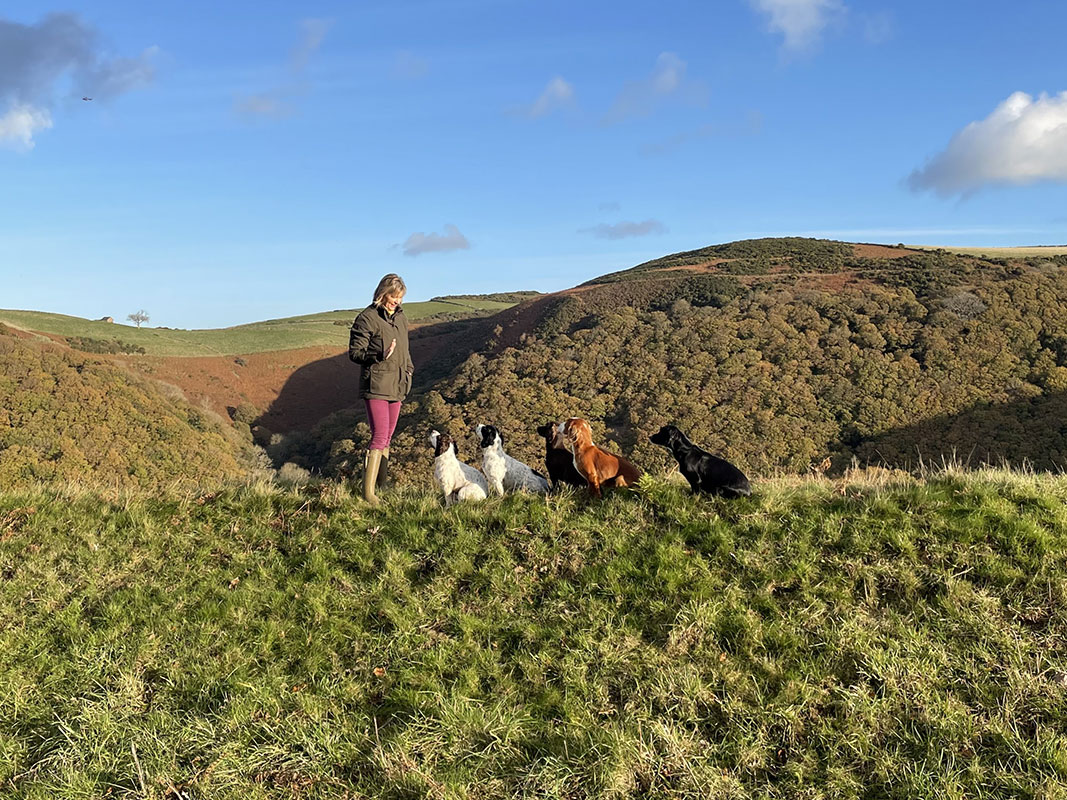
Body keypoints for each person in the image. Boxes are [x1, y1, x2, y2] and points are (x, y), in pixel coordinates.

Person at [348, 274, 414, 505]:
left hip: (398, 384)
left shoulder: (401, 318)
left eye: (400, 298)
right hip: (376, 384)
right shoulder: (366, 318)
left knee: (387, 438)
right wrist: (378, 355)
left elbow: (404, 350)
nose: (397, 302)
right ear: (382, 294)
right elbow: (355, 353)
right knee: (378, 436)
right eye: (393, 297)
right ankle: (368, 494)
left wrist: (408, 370)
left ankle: (381, 487)